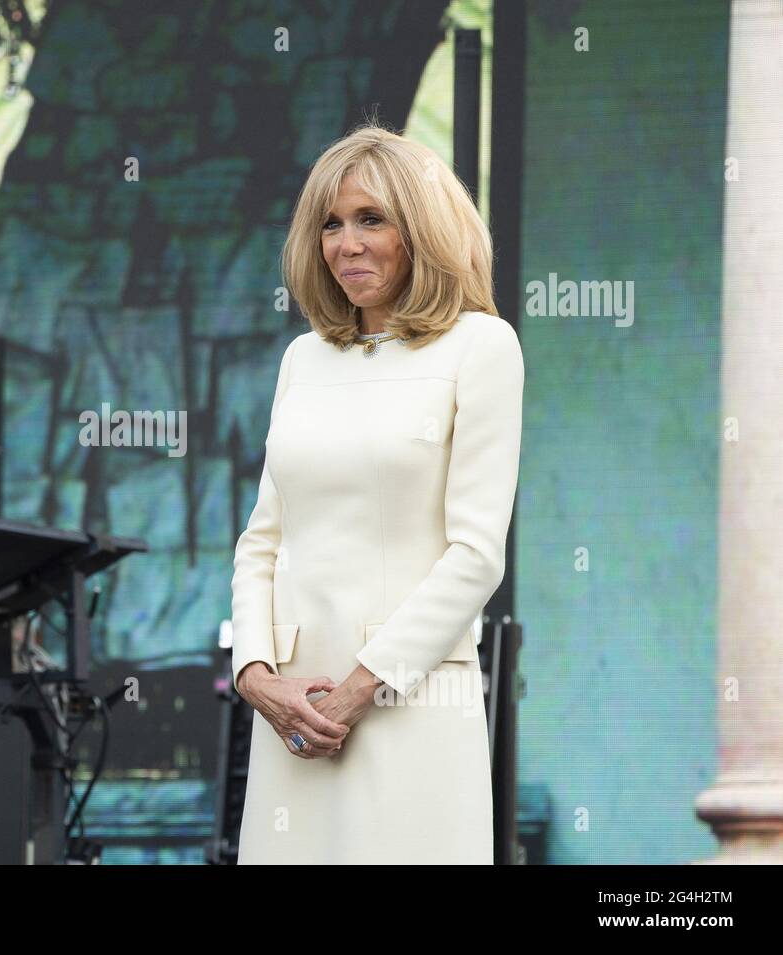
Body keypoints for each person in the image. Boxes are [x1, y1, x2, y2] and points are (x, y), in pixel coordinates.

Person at [230, 122, 523, 863]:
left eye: (371, 218)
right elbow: (261, 541)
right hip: (293, 718)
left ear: (420, 229)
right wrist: (256, 676)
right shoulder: (303, 358)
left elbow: (477, 553)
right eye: (330, 223)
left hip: (411, 702)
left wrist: (363, 687)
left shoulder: (482, 347)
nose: (346, 243)